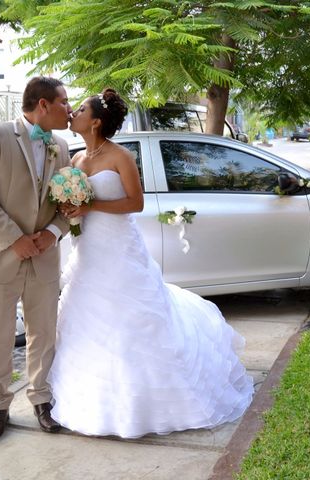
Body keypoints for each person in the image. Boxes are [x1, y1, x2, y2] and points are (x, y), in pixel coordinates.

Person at [48, 89, 254, 438]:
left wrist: (91, 206)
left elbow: (135, 203)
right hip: (88, 251)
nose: (74, 113)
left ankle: (147, 401)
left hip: (120, 250)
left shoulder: (120, 156)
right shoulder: (77, 159)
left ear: (95, 121)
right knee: (87, 318)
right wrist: (69, 210)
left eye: (80, 109)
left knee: (135, 319)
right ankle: (93, 397)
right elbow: (73, 200)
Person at [0, 77, 72, 440]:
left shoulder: (62, 147)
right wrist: (14, 239)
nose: (69, 109)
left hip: (43, 258)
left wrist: (52, 233)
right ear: (42, 106)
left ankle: (41, 399)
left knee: (43, 334)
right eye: (64, 102)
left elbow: (69, 203)